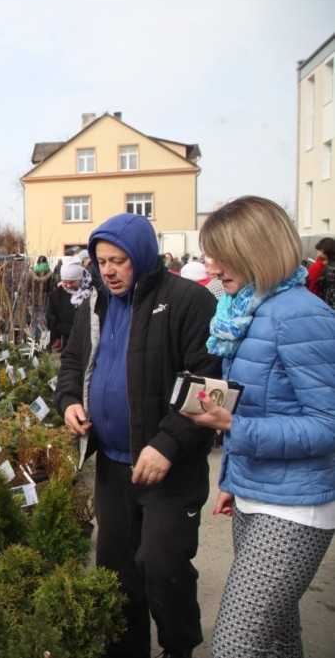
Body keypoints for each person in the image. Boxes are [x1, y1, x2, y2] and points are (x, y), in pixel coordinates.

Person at [54, 213, 221, 658]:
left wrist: (166, 445)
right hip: (112, 463)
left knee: (162, 564)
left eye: (119, 260)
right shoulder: (97, 305)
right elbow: (72, 363)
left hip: (170, 468)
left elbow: (205, 384)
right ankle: (125, 650)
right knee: (118, 570)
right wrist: (69, 400)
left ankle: (178, 647)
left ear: (142, 258)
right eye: (101, 261)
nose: (108, 270)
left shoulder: (188, 301)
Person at [181, 196, 335, 658]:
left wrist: (233, 428)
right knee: (278, 641)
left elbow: (327, 423)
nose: (210, 264)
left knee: (234, 645)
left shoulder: (300, 315)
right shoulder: (249, 311)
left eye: (220, 252)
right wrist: (234, 477)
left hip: (295, 508)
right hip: (258, 493)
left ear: (257, 250)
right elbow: (266, 403)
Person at [45, 259, 87, 349]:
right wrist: (71, 330)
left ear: (80, 279)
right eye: (65, 282)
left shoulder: (91, 292)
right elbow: (52, 321)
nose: (68, 286)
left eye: (72, 282)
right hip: (69, 344)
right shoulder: (56, 296)